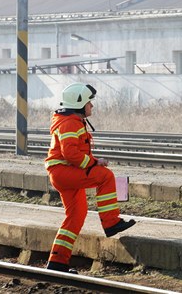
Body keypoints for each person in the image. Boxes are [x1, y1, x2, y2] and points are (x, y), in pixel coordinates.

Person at [44, 82, 135, 273]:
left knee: (76, 216)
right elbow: (70, 153)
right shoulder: (70, 122)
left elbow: (75, 152)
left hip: (62, 172)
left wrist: (95, 160)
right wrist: (93, 164)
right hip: (63, 171)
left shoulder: (70, 120)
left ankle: (57, 262)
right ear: (79, 104)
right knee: (106, 177)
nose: (91, 106)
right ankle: (111, 223)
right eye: (89, 103)